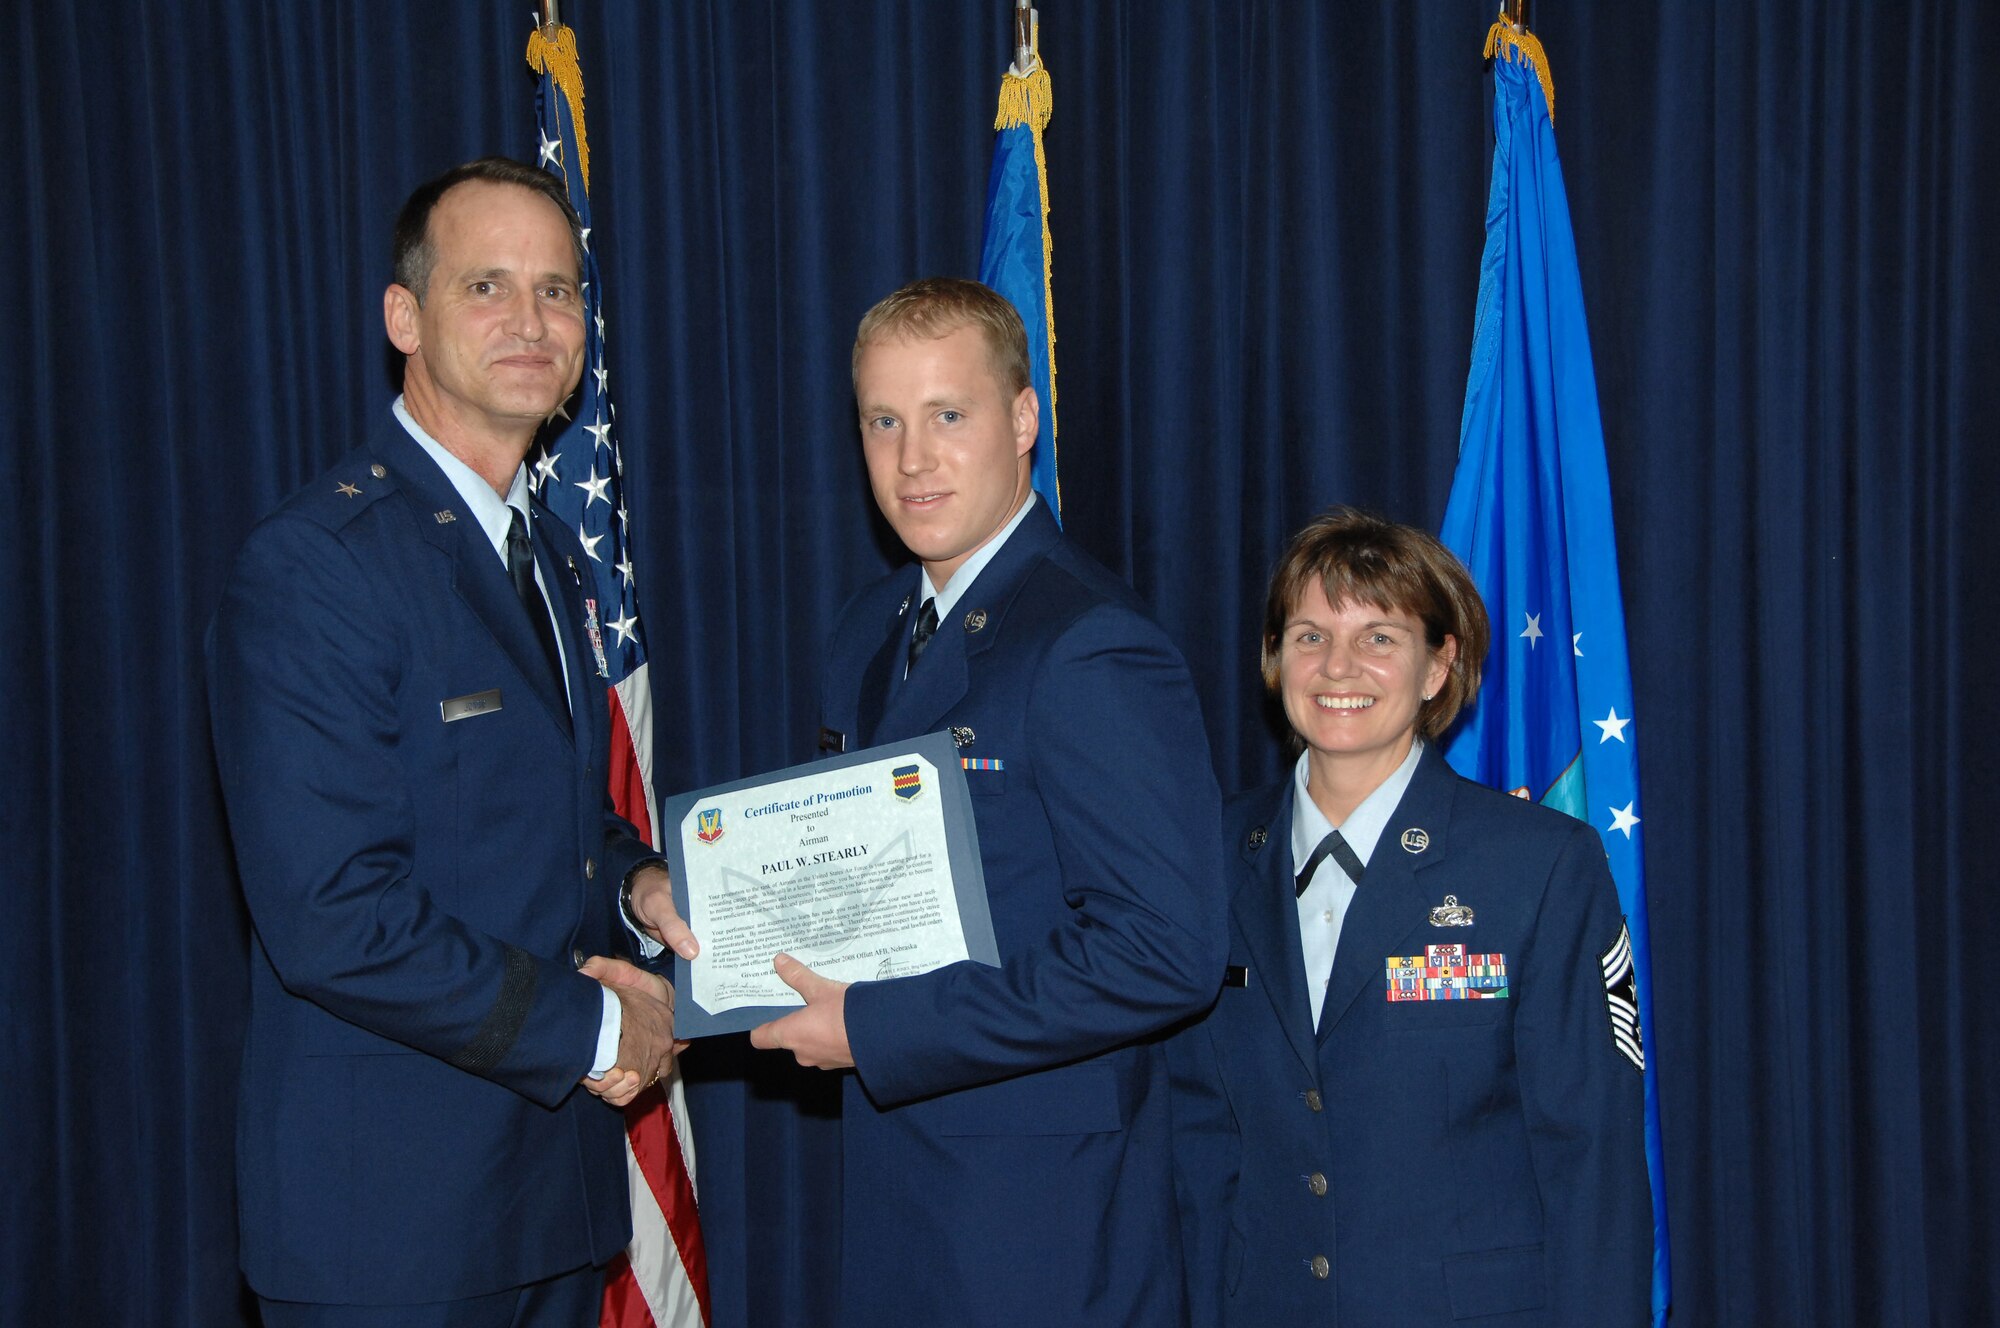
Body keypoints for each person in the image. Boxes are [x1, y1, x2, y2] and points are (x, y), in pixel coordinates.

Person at [630, 277, 1227, 1325]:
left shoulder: (1089, 641)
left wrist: (877, 1023)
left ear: (1023, 418)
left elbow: (1165, 949)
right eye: (883, 421)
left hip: (1044, 1215)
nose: (912, 460)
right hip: (894, 1186)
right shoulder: (869, 626)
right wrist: (707, 933)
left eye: (947, 415)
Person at [207, 157, 680, 1328]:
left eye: (560, 291)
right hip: (393, 1225)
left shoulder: (552, 557)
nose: (532, 320)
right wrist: (606, 1025)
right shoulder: (318, 564)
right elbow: (332, 914)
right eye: (488, 285)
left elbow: (542, 815)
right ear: (403, 316)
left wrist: (641, 878)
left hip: (554, 1204)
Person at [1167, 507, 1651, 1325]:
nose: (1338, 666)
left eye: (1380, 637)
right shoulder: (1202, 859)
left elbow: (1590, 1164)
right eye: (1310, 635)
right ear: (1273, 659)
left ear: (1438, 667)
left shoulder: (1537, 865)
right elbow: (1191, 1146)